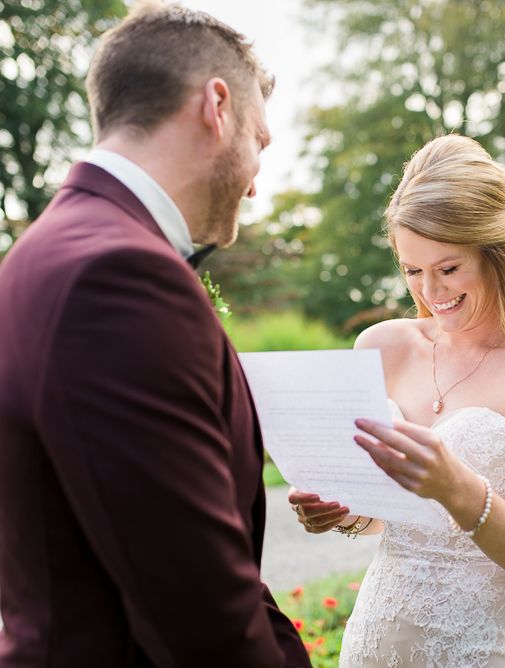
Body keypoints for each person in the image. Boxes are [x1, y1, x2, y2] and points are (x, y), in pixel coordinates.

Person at [0, 3, 310, 667]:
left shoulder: (45, 251)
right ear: (216, 106)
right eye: (261, 139)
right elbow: (202, 619)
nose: (257, 184)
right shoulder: (115, 274)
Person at [289, 135, 505, 667]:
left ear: (497, 252)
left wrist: (458, 489)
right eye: (413, 270)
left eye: (449, 268)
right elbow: (391, 520)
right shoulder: (381, 346)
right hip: (372, 648)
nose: (431, 290)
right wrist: (341, 512)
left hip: (495, 653)